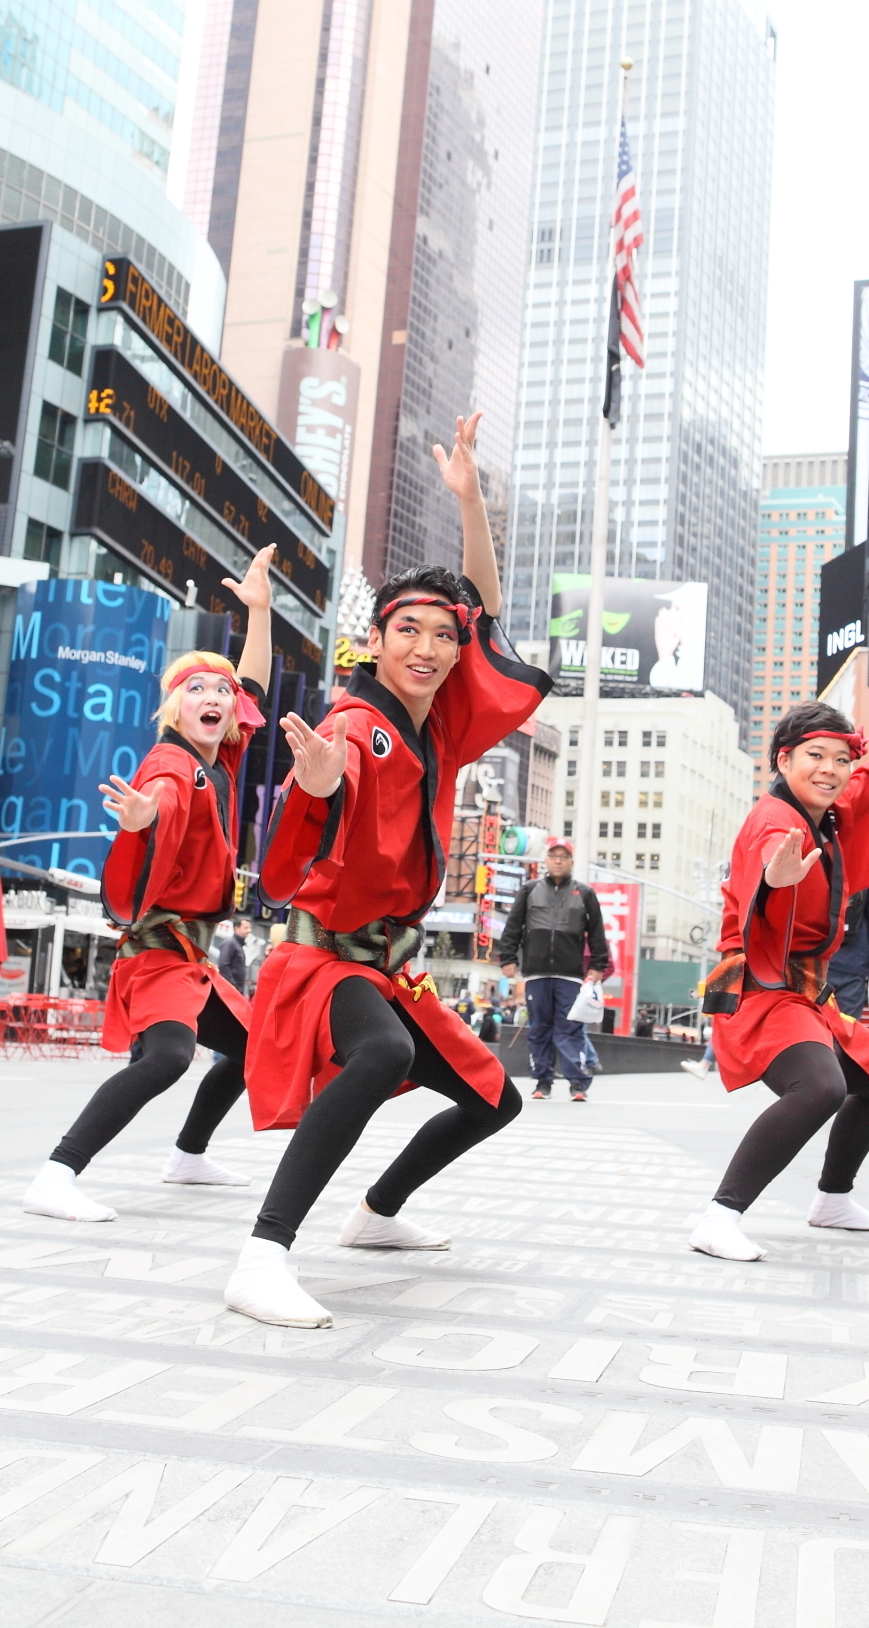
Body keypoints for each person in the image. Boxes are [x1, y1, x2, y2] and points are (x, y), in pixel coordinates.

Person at [226, 412, 547, 1327]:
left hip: (388, 967)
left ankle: (375, 1215)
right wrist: (320, 790)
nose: (433, 648)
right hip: (322, 958)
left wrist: (471, 501)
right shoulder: (352, 724)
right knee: (382, 1052)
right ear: (377, 637)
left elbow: (484, 617)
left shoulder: (438, 719)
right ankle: (262, 1252)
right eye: (411, 630)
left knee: (494, 1100)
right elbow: (308, 825)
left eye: (444, 637)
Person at [25, 544, 277, 1221]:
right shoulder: (171, 761)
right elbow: (163, 796)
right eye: (197, 688)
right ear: (172, 707)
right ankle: (56, 1173)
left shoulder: (221, 754)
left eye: (221, 691)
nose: (218, 697)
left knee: (252, 1049)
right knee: (168, 1057)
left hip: (192, 956)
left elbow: (251, 685)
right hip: (158, 953)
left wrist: (260, 612)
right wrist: (142, 820)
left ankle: (187, 1155)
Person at [685, 644, 869, 1264]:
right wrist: (775, 884)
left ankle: (833, 1197)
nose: (832, 769)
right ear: (784, 759)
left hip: (806, 990)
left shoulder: (829, 813)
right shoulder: (773, 821)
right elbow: (758, 881)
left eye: (841, 759)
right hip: (761, 985)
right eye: (816, 757)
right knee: (818, 1088)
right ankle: (719, 1214)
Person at [499, 837, 611, 1102]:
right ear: (546, 860)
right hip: (536, 973)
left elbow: (597, 933)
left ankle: (578, 1084)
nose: (558, 860)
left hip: (570, 975)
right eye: (553, 856)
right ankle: (542, 1081)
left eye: (563, 856)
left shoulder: (584, 893)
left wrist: (597, 966)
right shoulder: (530, 890)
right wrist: (508, 959)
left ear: (571, 861)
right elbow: (513, 927)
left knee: (570, 1029)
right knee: (539, 1028)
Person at [826, 880, 869, 1021]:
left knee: (816, 1023)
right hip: (853, 960)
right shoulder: (868, 873)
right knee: (847, 1026)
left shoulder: (821, 864)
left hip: (819, 959)